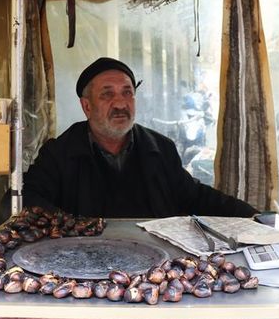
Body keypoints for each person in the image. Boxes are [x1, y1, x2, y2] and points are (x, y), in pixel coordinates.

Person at [15, 57, 258, 218]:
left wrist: (253, 216)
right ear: (87, 106)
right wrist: (73, 228)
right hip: (85, 270)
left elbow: (196, 197)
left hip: (152, 272)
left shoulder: (161, 150)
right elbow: (31, 199)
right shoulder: (59, 154)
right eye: (107, 94)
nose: (120, 103)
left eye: (127, 93)